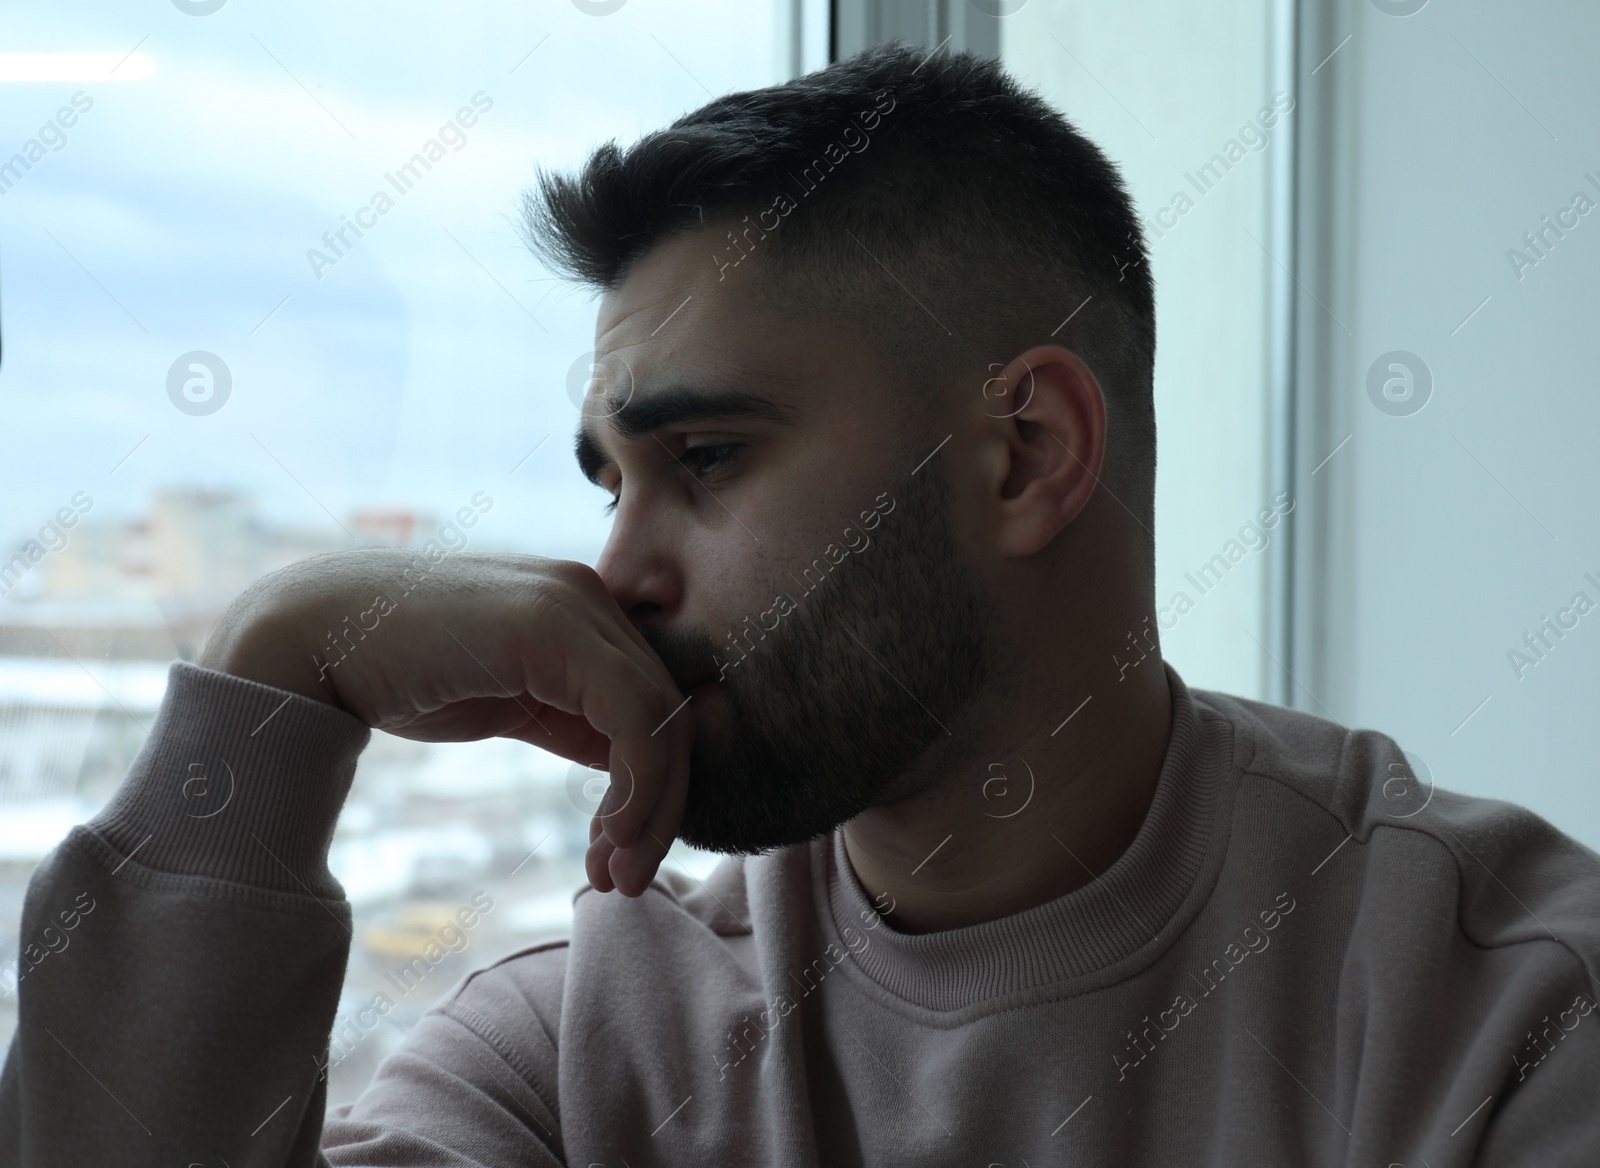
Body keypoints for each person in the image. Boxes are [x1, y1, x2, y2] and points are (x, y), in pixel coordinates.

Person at [3, 41, 1598, 1168]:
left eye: (704, 458)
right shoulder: (574, 1060)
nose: (616, 570)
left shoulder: (1505, 1011)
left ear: (1026, 454)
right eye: (605, 482)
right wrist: (275, 667)